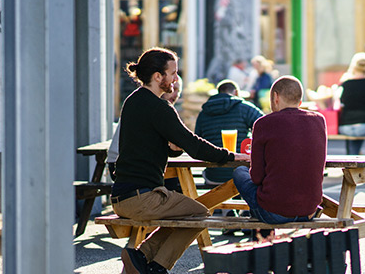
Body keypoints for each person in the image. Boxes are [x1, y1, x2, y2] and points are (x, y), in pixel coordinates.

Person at [113, 48, 250, 274]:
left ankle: (140, 255)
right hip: (143, 197)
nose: (176, 78)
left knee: (184, 212)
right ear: (158, 76)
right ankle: (157, 267)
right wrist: (232, 156)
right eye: (173, 73)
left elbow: (150, 145)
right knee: (199, 214)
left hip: (121, 195)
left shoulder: (132, 101)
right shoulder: (159, 107)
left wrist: (174, 149)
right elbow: (194, 146)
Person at [232, 76, 326, 237]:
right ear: (300, 100)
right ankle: (263, 241)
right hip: (309, 209)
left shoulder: (263, 123)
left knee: (240, 172)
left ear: (275, 97)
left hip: (274, 212)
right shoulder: (319, 120)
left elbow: (256, 177)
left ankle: (261, 244)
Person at [107, 75, 183, 187]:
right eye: (173, 88)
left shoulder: (148, 103)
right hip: (122, 164)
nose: (175, 94)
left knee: (175, 181)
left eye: (178, 90)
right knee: (175, 182)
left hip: (130, 163)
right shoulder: (152, 107)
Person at [195, 80, 264, 185]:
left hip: (213, 176)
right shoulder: (244, 108)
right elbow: (266, 126)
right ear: (236, 92)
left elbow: (197, 142)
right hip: (241, 175)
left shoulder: (203, 114)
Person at [337, 53, 365, 155]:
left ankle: (353, 159)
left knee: (355, 135)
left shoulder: (346, 83)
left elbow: (341, 103)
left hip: (346, 127)